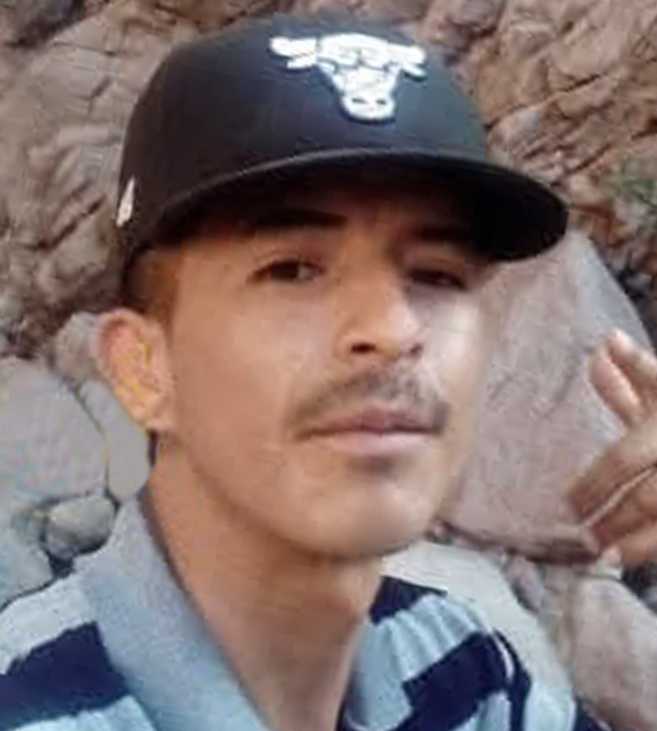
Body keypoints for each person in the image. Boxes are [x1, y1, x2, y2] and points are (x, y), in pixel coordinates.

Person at [0, 12, 616, 731]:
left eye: (437, 275)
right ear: (143, 370)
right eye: (291, 269)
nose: (393, 330)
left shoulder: (463, 668)